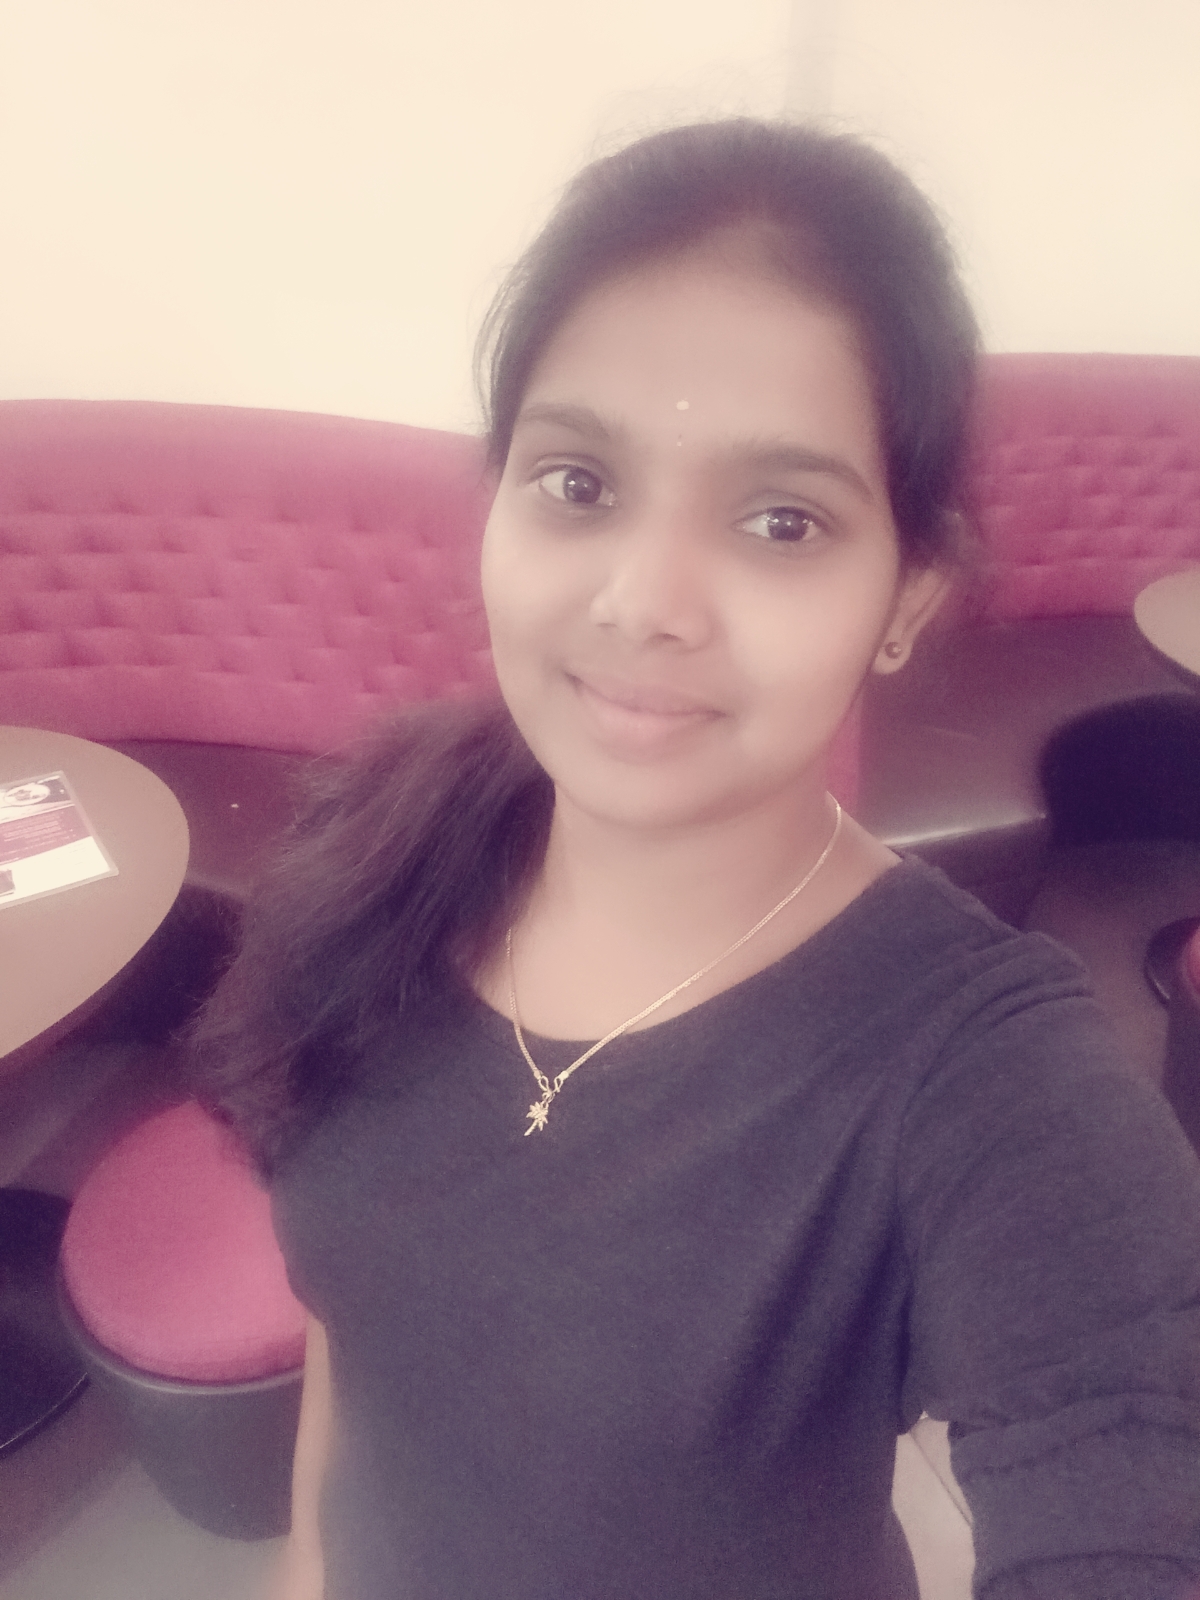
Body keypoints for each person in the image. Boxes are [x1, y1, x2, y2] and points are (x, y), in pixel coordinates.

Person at [192, 120, 1200, 1599]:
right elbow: (356, 1340)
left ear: (906, 598)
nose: (644, 601)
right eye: (578, 483)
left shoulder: (985, 1076)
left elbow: (1126, 1457)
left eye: (781, 520)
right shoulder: (382, 855)